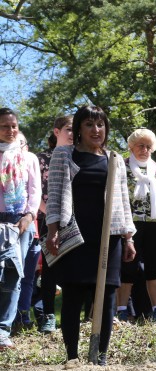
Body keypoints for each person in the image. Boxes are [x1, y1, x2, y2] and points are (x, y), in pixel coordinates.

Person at [44, 105, 136, 365]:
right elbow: (55, 196)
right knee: (73, 294)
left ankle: (100, 356)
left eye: (100, 125)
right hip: (75, 233)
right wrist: (53, 231)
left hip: (109, 236)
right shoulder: (64, 155)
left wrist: (129, 237)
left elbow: (122, 201)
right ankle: (72, 356)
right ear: (79, 130)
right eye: (89, 125)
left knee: (107, 296)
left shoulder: (114, 159)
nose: (96, 130)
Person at [116, 128, 156, 323]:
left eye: (148, 146)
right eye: (140, 146)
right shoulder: (121, 168)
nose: (144, 149)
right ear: (131, 147)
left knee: (155, 267)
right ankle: (122, 309)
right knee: (128, 267)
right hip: (130, 224)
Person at [0, 109, 40, 350]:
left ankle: (3, 330)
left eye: (14, 125)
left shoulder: (29, 158)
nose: (11, 130)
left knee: (14, 275)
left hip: (20, 221)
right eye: (5, 126)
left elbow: (35, 191)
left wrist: (29, 216)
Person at [33, 115, 72, 334]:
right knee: (50, 269)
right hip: (48, 220)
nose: (73, 134)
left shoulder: (82, 156)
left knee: (77, 269)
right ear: (56, 132)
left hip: (78, 221)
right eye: (68, 129)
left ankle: (76, 315)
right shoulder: (40, 159)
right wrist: (53, 215)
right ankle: (48, 316)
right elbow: (34, 192)